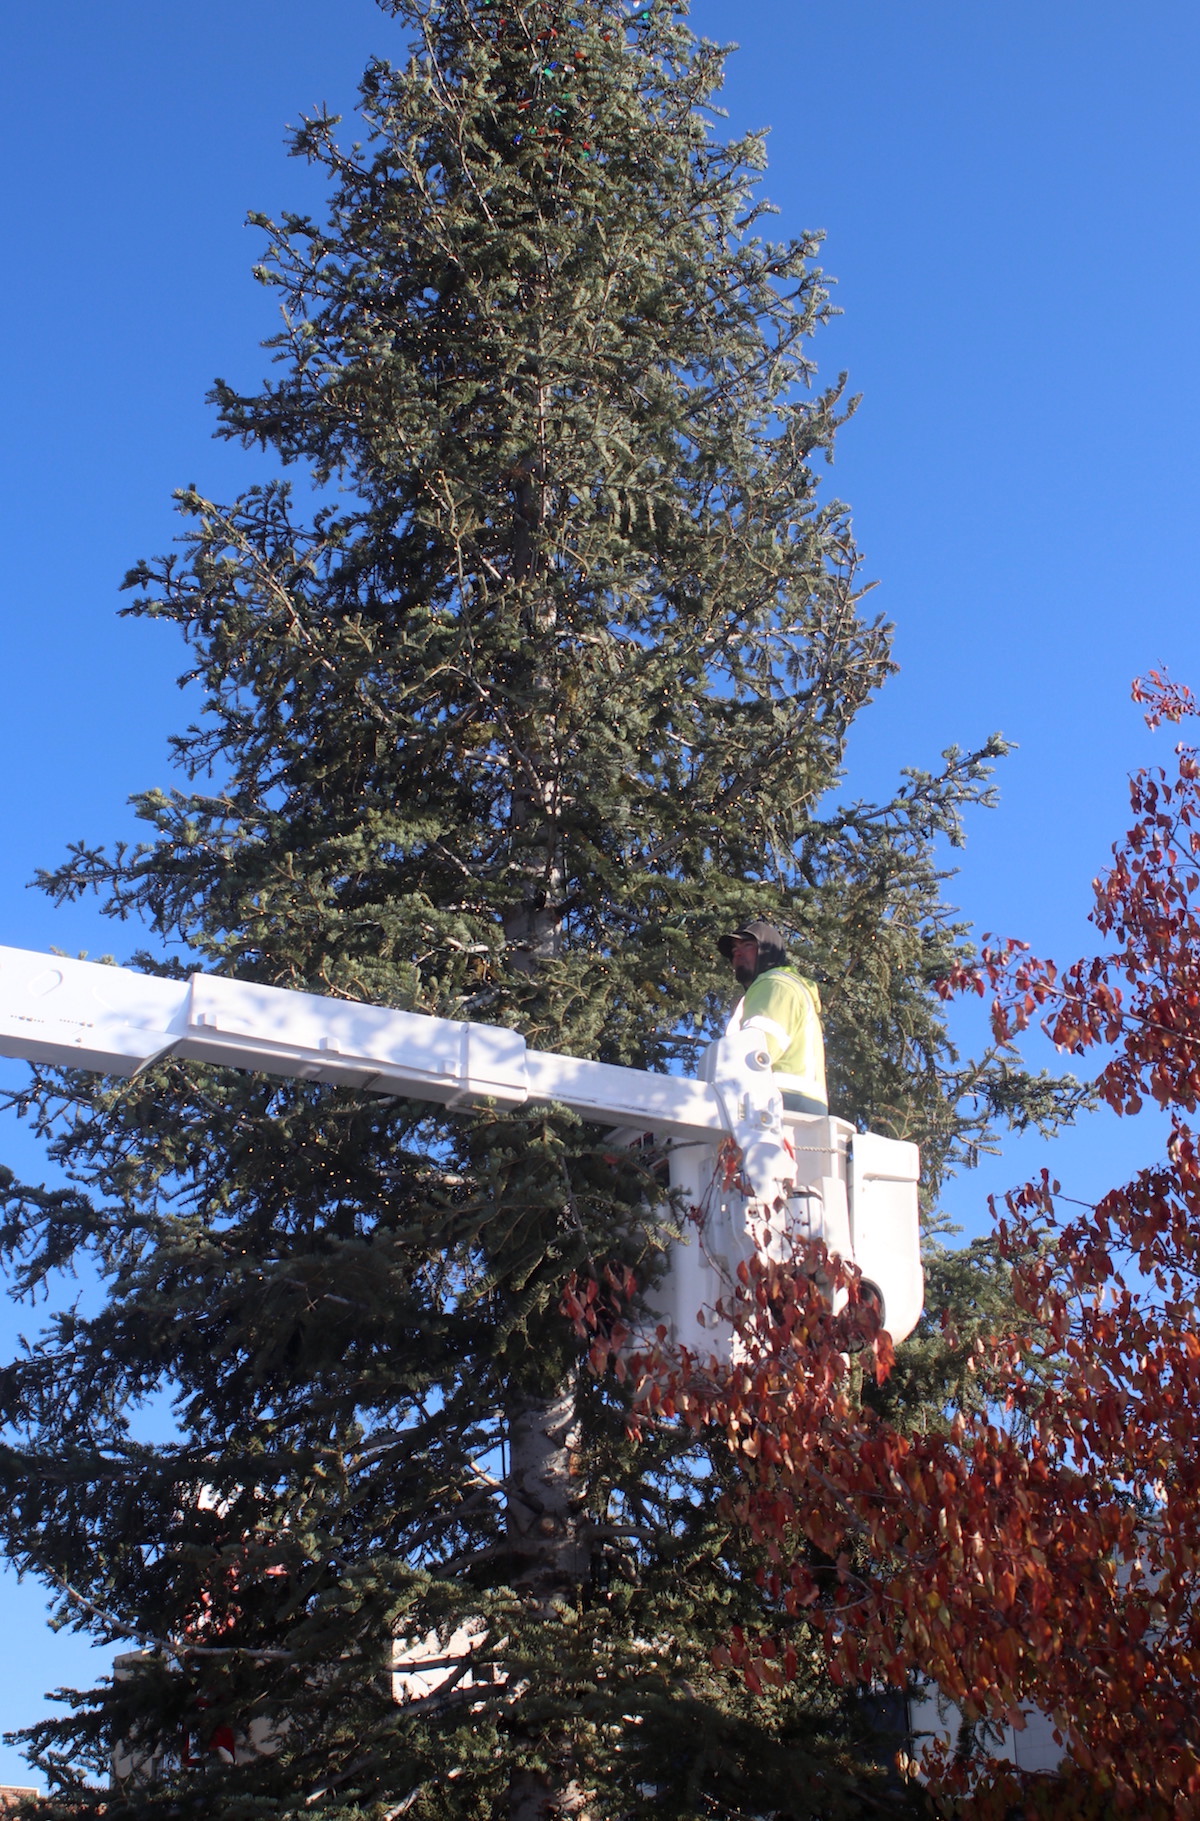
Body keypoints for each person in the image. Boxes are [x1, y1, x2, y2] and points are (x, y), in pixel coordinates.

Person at [717, 918, 828, 1116]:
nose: (738, 954)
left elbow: (755, 1053)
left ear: (768, 951)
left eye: (747, 945)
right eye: (734, 950)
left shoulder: (774, 984)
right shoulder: (787, 986)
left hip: (779, 1107)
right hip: (799, 1111)